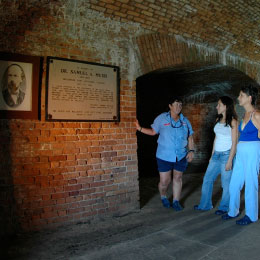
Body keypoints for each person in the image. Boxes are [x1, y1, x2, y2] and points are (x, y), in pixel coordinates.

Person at [136, 96, 194, 211]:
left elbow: (190, 137)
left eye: (180, 105)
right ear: (170, 106)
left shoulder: (185, 121)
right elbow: (153, 132)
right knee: (164, 181)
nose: (178, 107)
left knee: (178, 178)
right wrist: (140, 128)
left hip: (181, 155)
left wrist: (191, 150)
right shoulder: (162, 118)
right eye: (176, 104)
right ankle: (163, 196)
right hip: (164, 156)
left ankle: (176, 201)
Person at [222, 84, 260, 225]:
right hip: (241, 150)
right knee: (234, 183)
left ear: (249, 98)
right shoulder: (244, 114)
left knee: (251, 183)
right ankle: (233, 211)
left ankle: (251, 216)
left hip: (253, 150)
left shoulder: (256, 115)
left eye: (241, 96)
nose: (238, 98)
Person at [194, 96, 238, 214]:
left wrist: (230, 160)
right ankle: (205, 205)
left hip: (226, 155)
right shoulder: (218, 120)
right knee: (207, 179)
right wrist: (212, 155)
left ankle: (224, 207)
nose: (216, 106)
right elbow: (216, 139)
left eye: (219, 104)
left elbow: (234, 143)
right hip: (216, 156)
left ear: (225, 106)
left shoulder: (233, 121)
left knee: (226, 183)